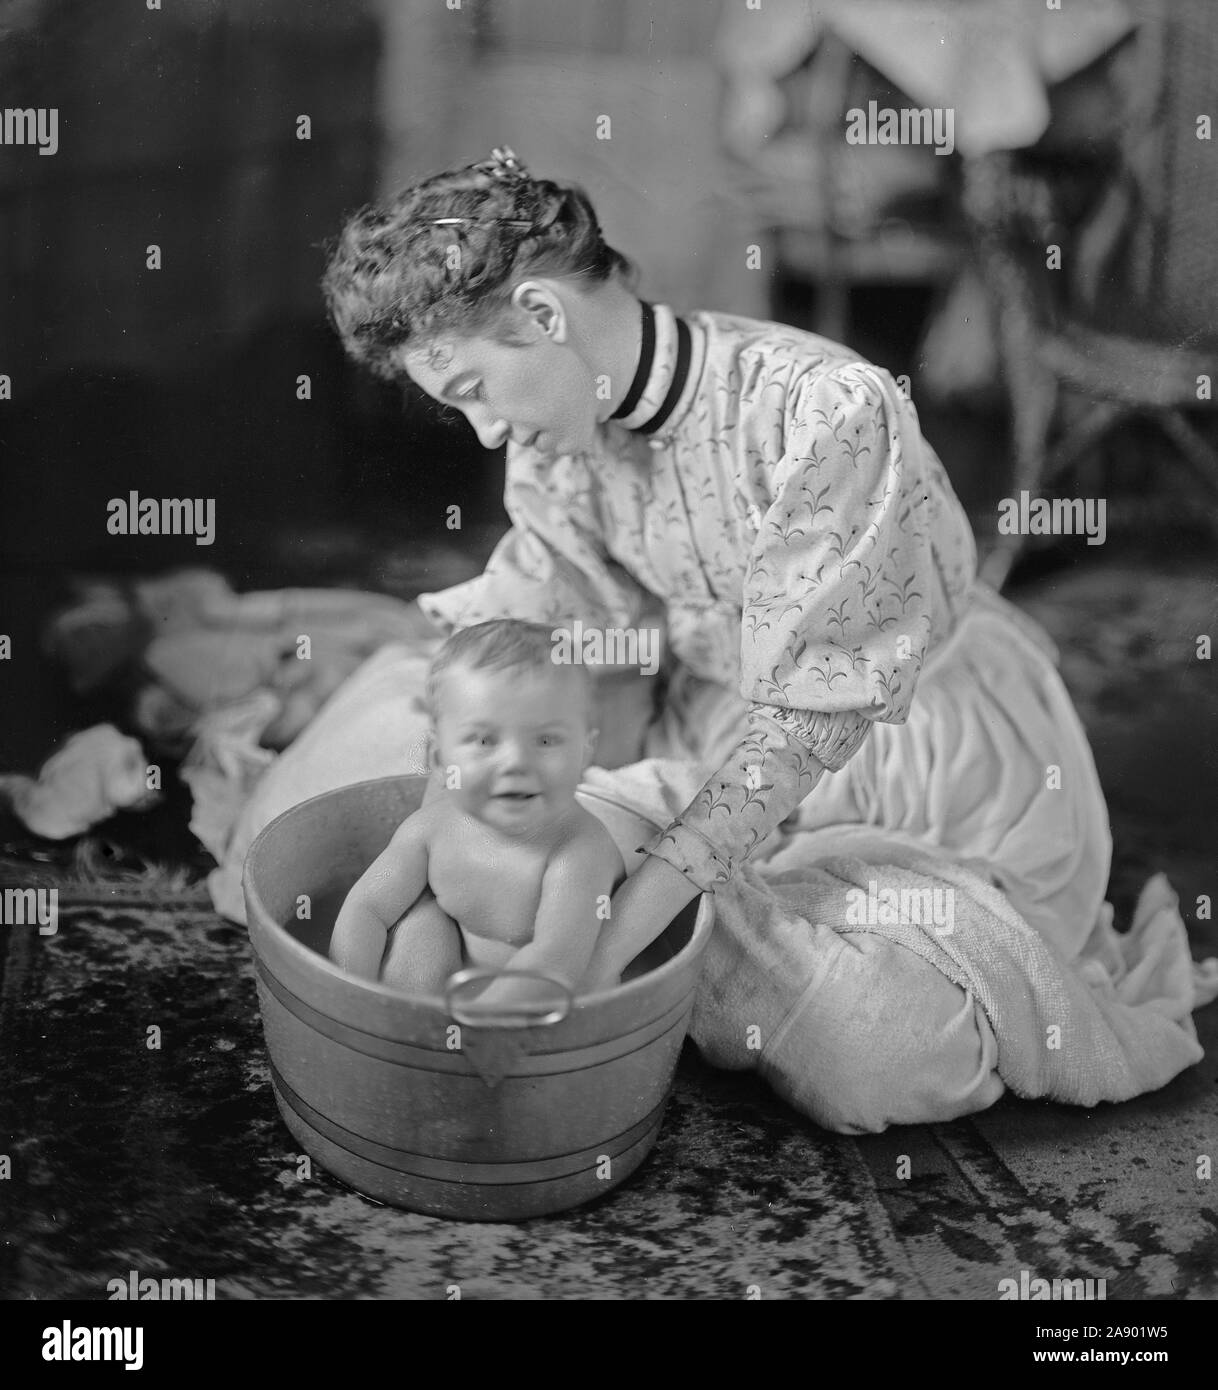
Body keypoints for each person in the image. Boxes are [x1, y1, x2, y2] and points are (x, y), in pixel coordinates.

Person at [316, 145, 1117, 1129]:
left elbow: (799, 728)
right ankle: (651, 956)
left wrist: (603, 950)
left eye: (473, 390)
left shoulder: (824, 412)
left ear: (541, 316)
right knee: (415, 805)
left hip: (908, 749)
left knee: (876, 1055)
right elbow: (569, 636)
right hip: (703, 722)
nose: (481, 433)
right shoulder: (552, 450)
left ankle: (718, 958)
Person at [329, 619, 625, 997]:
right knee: (417, 934)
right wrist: (350, 996)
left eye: (547, 739)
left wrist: (474, 1028)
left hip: (549, 999)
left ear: (585, 751)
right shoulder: (430, 830)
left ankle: (445, 1039)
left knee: (585, 987)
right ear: (439, 756)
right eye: (484, 739)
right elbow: (367, 908)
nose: (516, 762)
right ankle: (402, 1022)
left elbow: (554, 961)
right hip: (463, 976)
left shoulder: (579, 851)